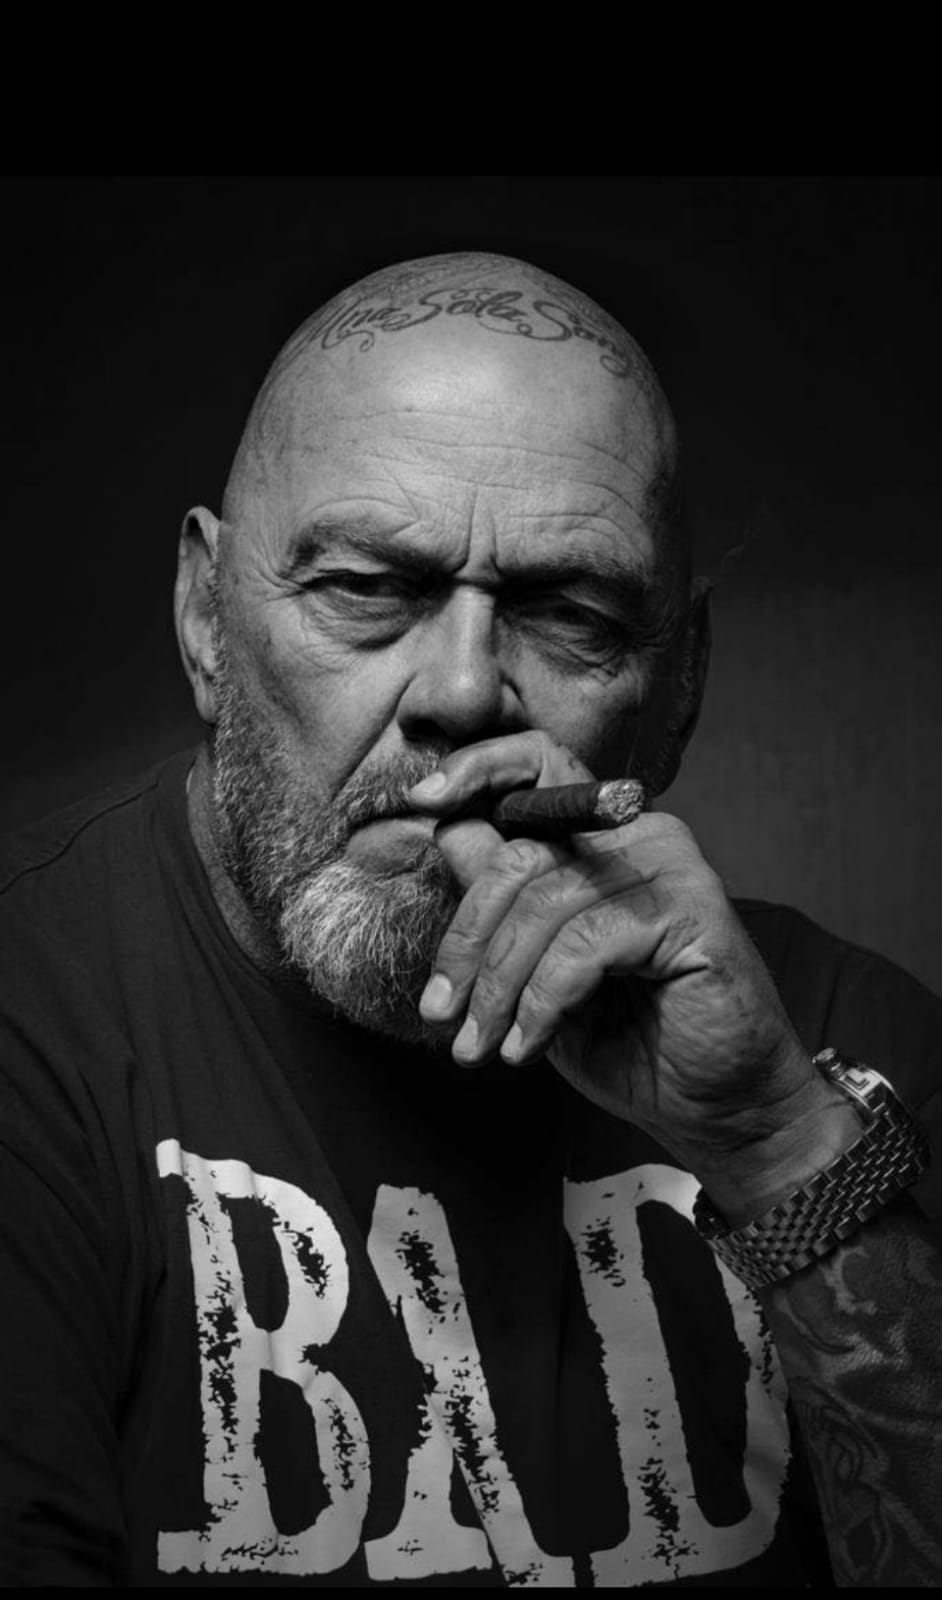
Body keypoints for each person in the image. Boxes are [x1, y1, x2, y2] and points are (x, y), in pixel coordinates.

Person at [1, 250, 940, 1590]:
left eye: (569, 614)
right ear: (207, 618)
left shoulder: (834, 1041)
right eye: (365, 589)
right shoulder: (33, 1025)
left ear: (678, 685)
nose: (459, 693)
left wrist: (772, 1142)